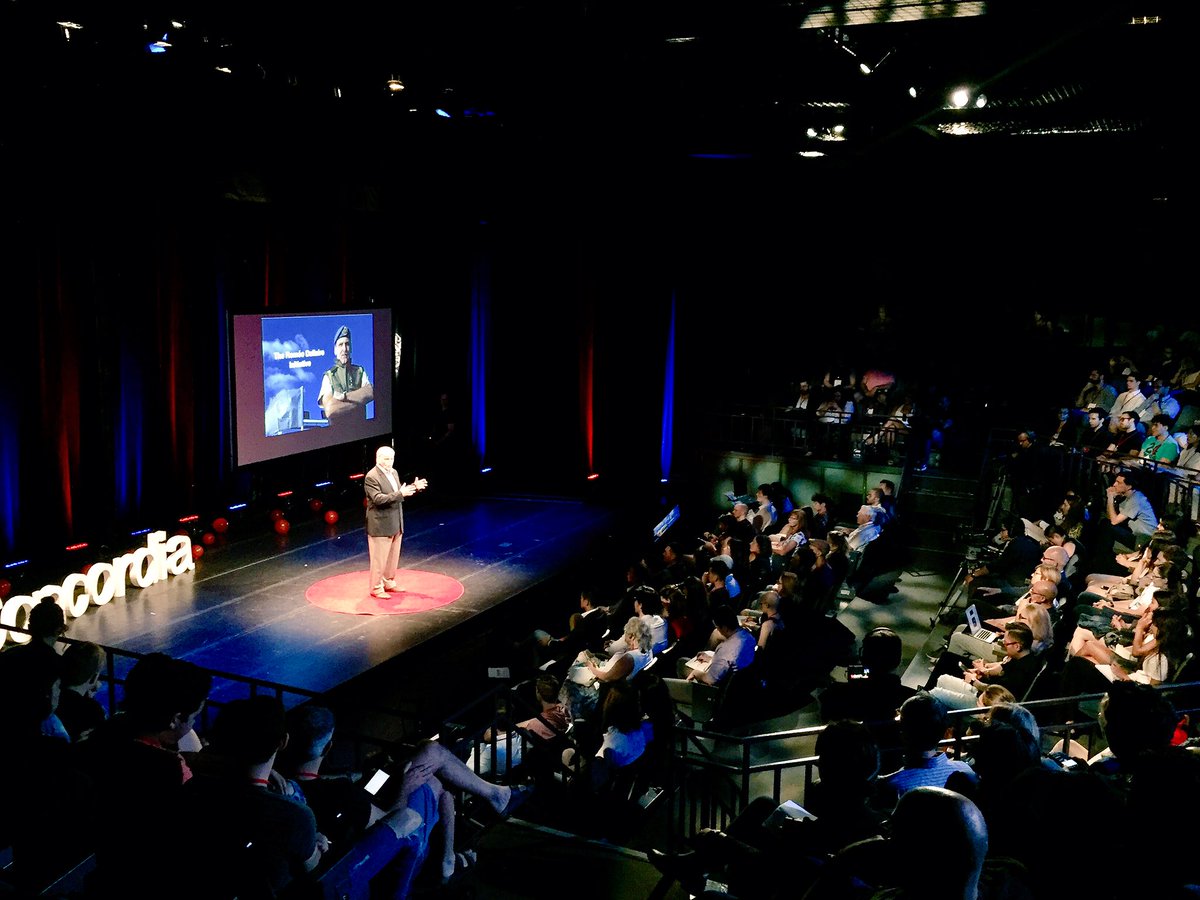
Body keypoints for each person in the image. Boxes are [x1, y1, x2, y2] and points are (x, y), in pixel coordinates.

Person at [364, 446, 427, 600]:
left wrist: (413, 487)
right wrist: (400, 493)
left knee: (392, 557)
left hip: (395, 521)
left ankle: (388, 581)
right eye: (386, 459)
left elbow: (398, 493)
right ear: (378, 458)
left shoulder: (393, 472)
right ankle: (376, 588)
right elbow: (378, 499)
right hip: (380, 524)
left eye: (391, 458)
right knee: (379, 558)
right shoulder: (371, 476)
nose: (389, 462)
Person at [317, 324, 374, 422]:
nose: (344, 349)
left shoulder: (360, 371)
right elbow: (331, 410)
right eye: (340, 345)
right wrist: (359, 399)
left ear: (351, 348)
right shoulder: (329, 376)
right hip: (338, 433)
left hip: (361, 430)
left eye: (347, 344)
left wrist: (344, 397)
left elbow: (371, 392)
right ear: (335, 350)